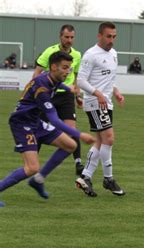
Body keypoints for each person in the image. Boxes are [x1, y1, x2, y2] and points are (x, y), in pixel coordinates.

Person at [0, 51, 95, 207]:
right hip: (22, 123)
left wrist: (69, 89)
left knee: (71, 145)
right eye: (65, 68)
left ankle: (38, 180)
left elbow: (58, 84)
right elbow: (55, 120)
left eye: (69, 68)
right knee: (32, 167)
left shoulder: (51, 77)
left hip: (35, 121)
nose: (67, 72)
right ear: (53, 67)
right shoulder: (42, 88)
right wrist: (80, 134)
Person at [75, 21, 126, 197]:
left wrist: (117, 92)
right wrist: (97, 94)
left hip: (106, 102)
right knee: (109, 139)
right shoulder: (90, 55)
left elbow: (110, 80)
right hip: (95, 102)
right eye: (108, 36)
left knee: (100, 141)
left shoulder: (113, 53)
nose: (111, 40)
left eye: (114, 36)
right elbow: (80, 81)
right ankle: (108, 179)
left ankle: (85, 177)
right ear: (99, 35)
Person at [33, 24, 84, 176]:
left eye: (72, 37)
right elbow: (37, 73)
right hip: (48, 94)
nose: (69, 40)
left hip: (67, 96)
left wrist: (77, 96)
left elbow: (75, 76)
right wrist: (38, 93)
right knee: (39, 130)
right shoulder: (50, 52)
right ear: (60, 37)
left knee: (71, 129)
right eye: (66, 37)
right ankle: (33, 162)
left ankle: (78, 163)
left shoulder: (77, 55)